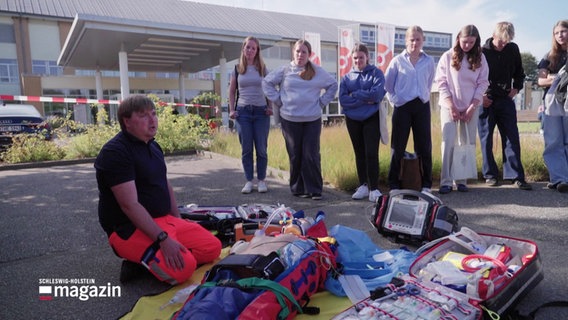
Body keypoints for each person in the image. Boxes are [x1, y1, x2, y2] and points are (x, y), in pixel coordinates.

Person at [94, 95, 222, 285]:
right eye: (143, 115)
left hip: (165, 221)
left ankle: (150, 258)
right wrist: (163, 239)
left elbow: (164, 184)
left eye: (153, 114)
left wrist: (178, 220)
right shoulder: (115, 152)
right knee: (183, 270)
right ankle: (138, 262)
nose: (152, 119)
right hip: (128, 229)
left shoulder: (154, 146)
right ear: (127, 121)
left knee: (213, 248)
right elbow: (129, 205)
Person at [262, 39, 338, 200]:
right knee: (295, 154)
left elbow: (333, 85)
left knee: (310, 153)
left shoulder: (317, 71)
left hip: (312, 119)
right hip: (289, 119)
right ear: (293, 52)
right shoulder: (284, 70)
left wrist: (322, 102)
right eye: (297, 51)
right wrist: (278, 100)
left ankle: (315, 189)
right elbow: (266, 83)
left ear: (309, 54)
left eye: (304, 52)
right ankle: (298, 188)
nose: (300, 54)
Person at [435, 25, 489, 194]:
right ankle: (445, 181)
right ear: (458, 38)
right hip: (449, 105)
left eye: (471, 42)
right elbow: (441, 82)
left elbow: (483, 83)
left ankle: (461, 179)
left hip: (470, 106)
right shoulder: (447, 56)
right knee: (448, 142)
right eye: (465, 42)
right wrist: (451, 106)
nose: (467, 45)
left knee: (466, 142)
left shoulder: (481, 58)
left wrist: (472, 106)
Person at [478, 21, 532, 190]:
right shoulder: (482, 51)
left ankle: (515, 175)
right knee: (486, 138)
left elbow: (519, 73)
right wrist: (481, 96)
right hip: (487, 99)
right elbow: (473, 76)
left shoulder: (513, 49)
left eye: (506, 41)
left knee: (511, 137)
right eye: (501, 40)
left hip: (506, 99)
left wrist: (516, 88)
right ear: (493, 35)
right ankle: (490, 175)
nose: (503, 44)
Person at [384, 25, 436, 193]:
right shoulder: (397, 61)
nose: (414, 43)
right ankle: (394, 184)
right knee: (397, 146)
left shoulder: (428, 61)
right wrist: (396, 101)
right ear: (406, 41)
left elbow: (429, 83)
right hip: (403, 107)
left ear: (423, 41)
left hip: (421, 105)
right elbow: (388, 86)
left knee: (424, 146)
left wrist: (423, 95)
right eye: (411, 39)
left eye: (418, 39)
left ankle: (426, 183)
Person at [339, 43, 386, 202]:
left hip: (371, 117)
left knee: (371, 153)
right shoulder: (346, 78)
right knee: (359, 153)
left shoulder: (376, 73)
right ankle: (363, 186)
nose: (358, 60)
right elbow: (343, 100)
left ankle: (374, 188)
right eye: (355, 58)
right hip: (352, 119)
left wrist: (356, 94)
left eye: (361, 57)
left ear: (367, 57)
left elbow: (377, 95)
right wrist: (365, 98)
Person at [228, 36, 273, 194]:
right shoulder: (237, 68)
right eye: (248, 47)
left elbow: (269, 89)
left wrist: (270, 107)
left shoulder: (262, 68)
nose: (250, 50)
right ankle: (249, 181)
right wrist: (232, 110)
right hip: (243, 113)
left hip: (261, 113)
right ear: (243, 49)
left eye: (253, 48)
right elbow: (232, 91)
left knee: (261, 148)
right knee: (246, 149)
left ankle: (261, 180)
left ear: (257, 50)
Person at [537, 20, 568, 193]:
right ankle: (559, 178)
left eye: (563, 31)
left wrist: (553, 77)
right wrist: (558, 77)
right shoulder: (549, 56)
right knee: (553, 141)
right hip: (552, 102)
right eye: (557, 33)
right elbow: (541, 80)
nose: (560, 35)